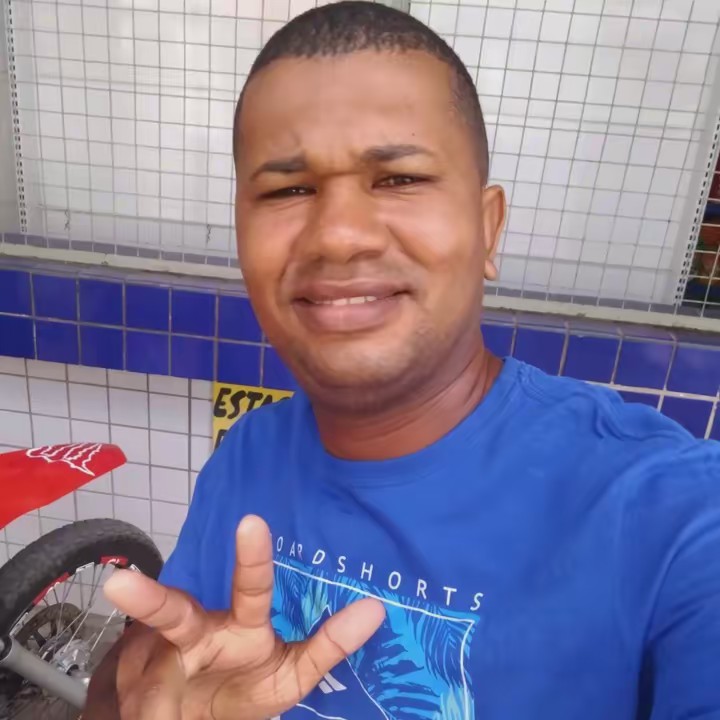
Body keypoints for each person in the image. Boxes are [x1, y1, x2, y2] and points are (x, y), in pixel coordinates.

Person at [85, 2, 720, 718]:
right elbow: (149, 678)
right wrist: (147, 691)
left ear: (488, 229)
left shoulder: (673, 518)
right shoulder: (250, 454)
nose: (339, 236)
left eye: (399, 179)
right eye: (288, 190)